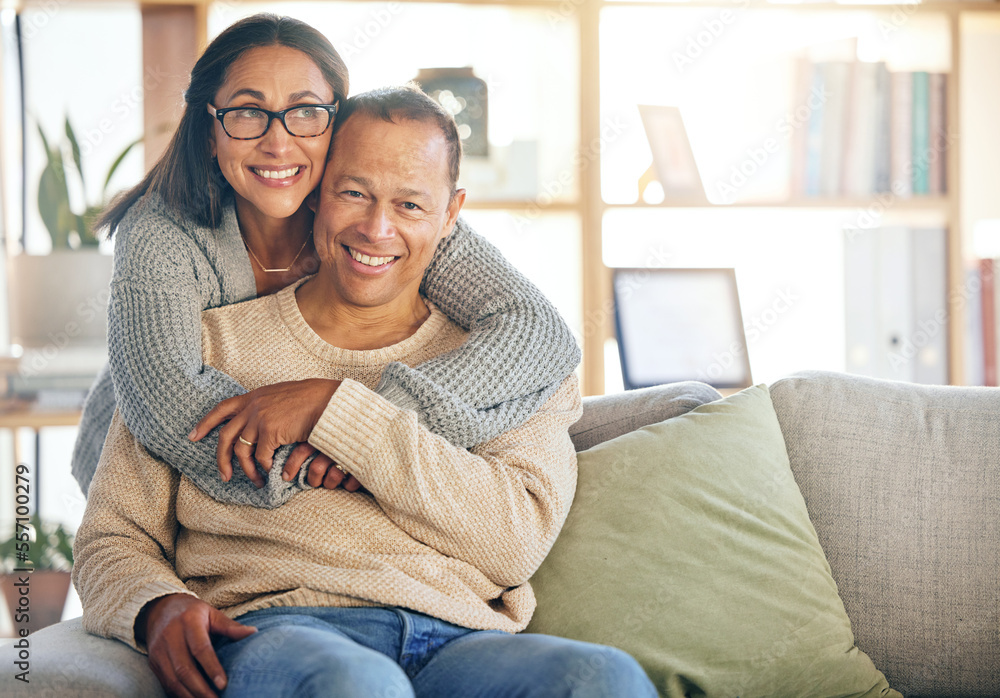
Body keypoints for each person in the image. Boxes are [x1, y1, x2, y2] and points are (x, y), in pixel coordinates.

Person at [74, 85, 656, 698]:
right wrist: (153, 604)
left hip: (462, 642)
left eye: (410, 205)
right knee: (358, 684)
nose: (377, 229)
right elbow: (114, 534)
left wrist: (338, 411)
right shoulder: (207, 348)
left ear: (451, 213)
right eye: (354, 193)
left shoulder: (507, 364)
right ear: (316, 193)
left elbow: (510, 543)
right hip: (282, 631)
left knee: (603, 678)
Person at [71, 13, 580, 508]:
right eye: (248, 112)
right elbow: (167, 407)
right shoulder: (162, 229)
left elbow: (538, 331)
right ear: (210, 129)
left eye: (305, 112)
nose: (278, 142)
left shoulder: (384, 217)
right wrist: (338, 453)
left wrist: (342, 415)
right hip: (138, 461)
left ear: (336, 126)